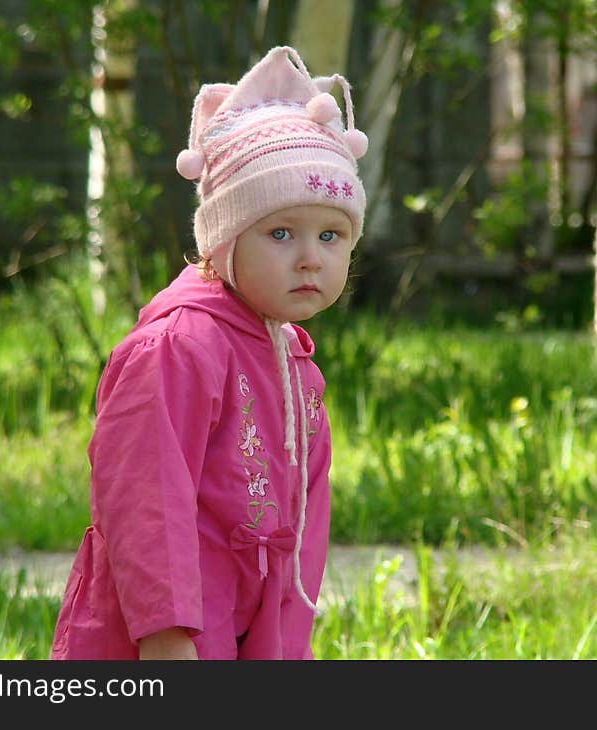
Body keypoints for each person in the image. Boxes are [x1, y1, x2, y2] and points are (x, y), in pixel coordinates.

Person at [50, 45, 368, 660]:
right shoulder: (178, 348)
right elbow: (144, 498)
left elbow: (305, 530)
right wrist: (168, 636)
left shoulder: (294, 364)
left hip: (250, 630)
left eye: (331, 235)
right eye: (280, 233)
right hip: (160, 638)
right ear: (224, 238)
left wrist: (284, 644)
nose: (311, 257)